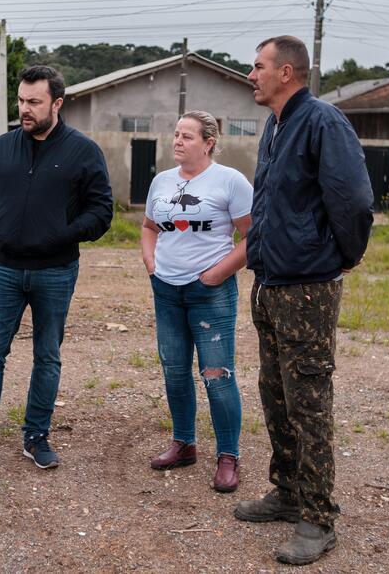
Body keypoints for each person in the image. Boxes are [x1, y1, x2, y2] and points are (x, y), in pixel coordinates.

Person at [235, 36, 373, 565]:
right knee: (276, 392)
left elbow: (354, 200)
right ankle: (288, 493)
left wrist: (341, 256)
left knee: (309, 400)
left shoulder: (322, 121)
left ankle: (318, 518)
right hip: (271, 282)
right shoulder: (276, 125)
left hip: (307, 288)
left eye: (258, 66)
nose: (251, 74)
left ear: (286, 72)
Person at [0, 65, 113, 471]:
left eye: (33, 102)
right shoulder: (3, 147)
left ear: (57, 103)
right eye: (21, 100)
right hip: (5, 268)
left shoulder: (83, 151)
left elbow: (101, 210)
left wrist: (60, 233)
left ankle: (37, 436)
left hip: (56, 270)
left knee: (47, 356)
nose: (24, 109)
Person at [141, 111, 253, 493]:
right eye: (175, 134)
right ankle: (184, 443)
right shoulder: (161, 181)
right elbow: (149, 227)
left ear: (208, 142)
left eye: (187, 136)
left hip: (210, 293)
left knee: (217, 376)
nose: (177, 141)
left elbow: (254, 237)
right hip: (167, 290)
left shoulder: (230, 181)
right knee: (174, 370)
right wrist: (151, 262)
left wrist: (217, 274)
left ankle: (228, 456)